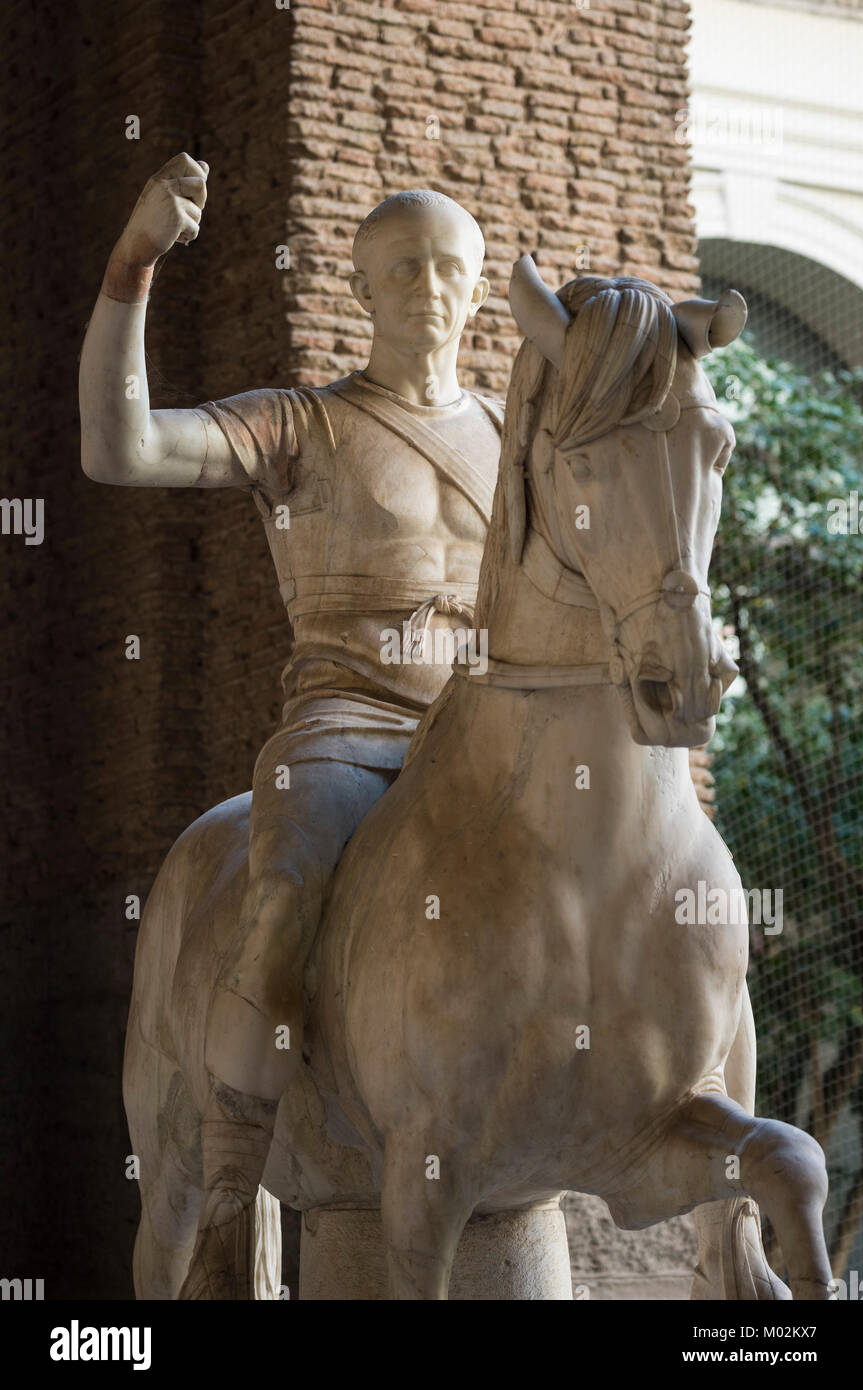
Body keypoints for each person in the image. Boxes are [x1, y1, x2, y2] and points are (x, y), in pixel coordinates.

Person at [79, 153, 503, 1296]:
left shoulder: (519, 443)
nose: (432, 286)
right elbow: (122, 448)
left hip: (490, 746)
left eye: (453, 267)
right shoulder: (303, 428)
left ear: (479, 292)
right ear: (362, 290)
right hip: (347, 732)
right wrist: (134, 264)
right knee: (280, 900)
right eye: (405, 266)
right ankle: (226, 1200)